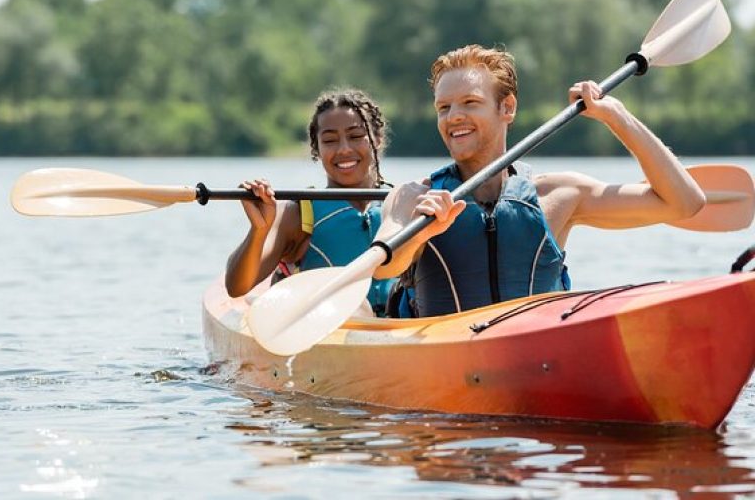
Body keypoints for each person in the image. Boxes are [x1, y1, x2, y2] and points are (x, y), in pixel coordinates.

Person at [374, 44, 705, 317]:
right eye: (443, 107)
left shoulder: (559, 194)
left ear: (508, 108)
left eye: (470, 102)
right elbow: (383, 267)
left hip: (539, 357)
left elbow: (685, 203)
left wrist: (616, 116)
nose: (453, 116)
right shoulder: (414, 196)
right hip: (444, 359)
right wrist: (420, 235)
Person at [225, 89, 395, 316]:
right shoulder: (298, 214)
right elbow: (237, 288)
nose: (344, 149)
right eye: (330, 140)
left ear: (378, 139)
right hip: (321, 330)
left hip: (394, 326)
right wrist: (259, 230)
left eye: (355, 136)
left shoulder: (401, 204)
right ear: (317, 149)